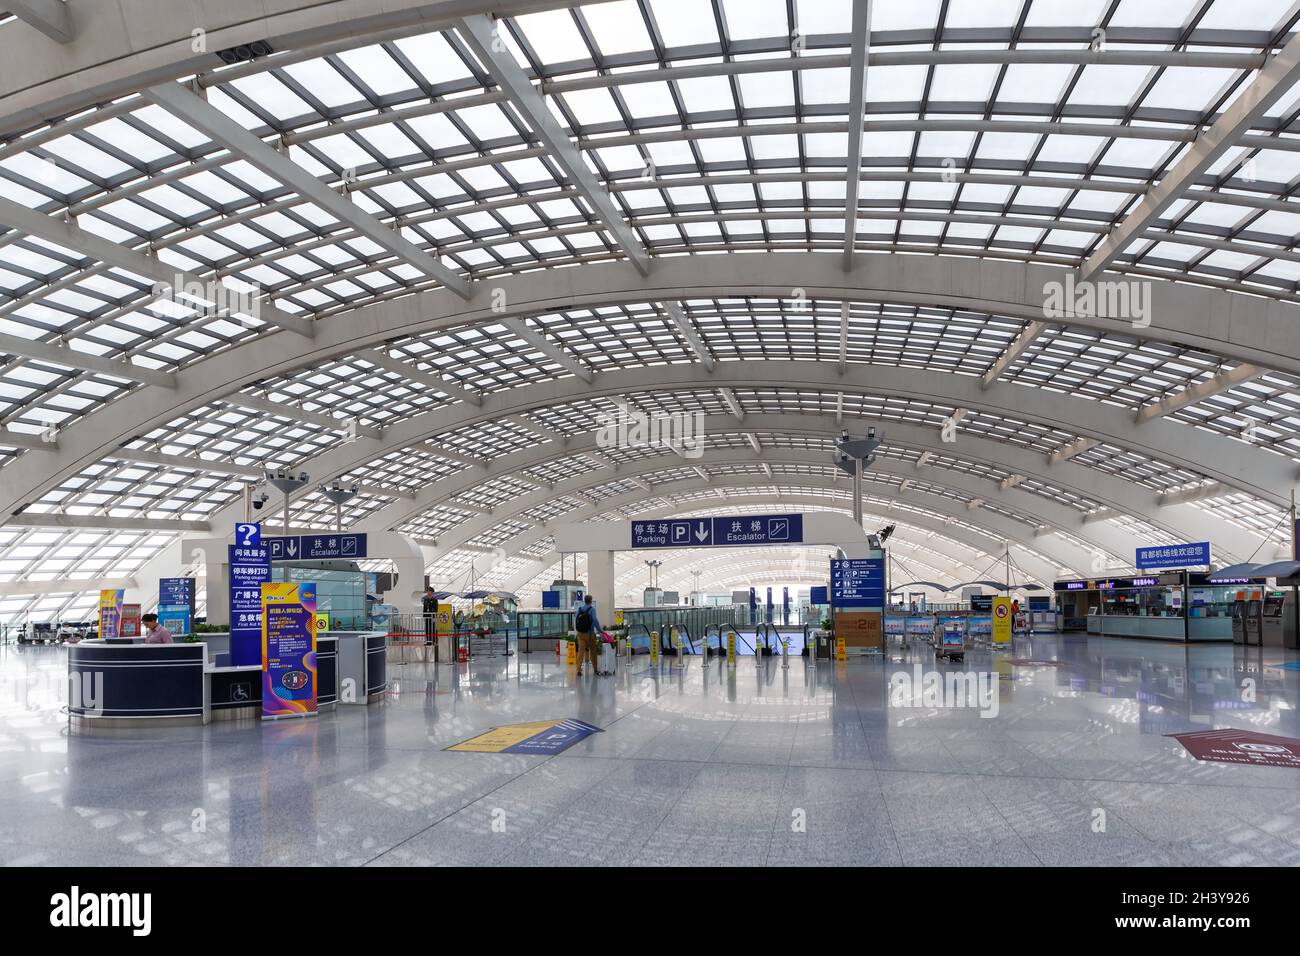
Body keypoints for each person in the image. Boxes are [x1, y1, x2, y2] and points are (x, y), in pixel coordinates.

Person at [573, 594, 602, 676]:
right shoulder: (592, 609)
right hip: (590, 634)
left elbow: (576, 618)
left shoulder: (580, 609)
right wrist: (600, 630)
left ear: (584, 601)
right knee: (593, 651)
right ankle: (595, 669)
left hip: (581, 634)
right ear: (591, 601)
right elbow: (595, 620)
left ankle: (578, 669)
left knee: (580, 652)